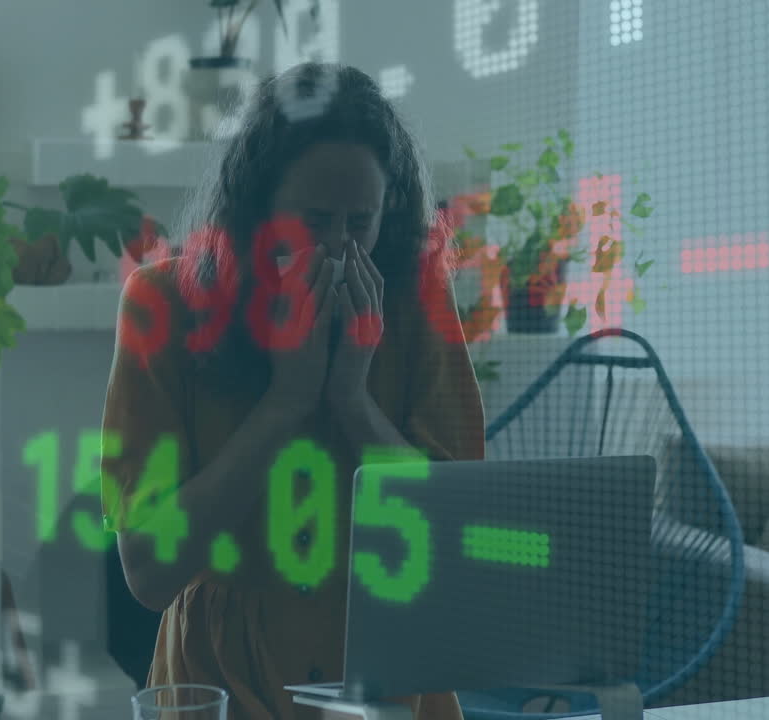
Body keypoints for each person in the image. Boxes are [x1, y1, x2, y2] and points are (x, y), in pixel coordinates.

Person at [99, 62, 485, 720]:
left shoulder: (416, 299)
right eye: (313, 222)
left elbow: (457, 543)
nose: (337, 249)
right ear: (256, 214)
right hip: (221, 682)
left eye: (359, 222)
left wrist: (353, 403)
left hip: (386, 680)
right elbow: (148, 573)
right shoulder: (162, 304)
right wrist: (284, 403)